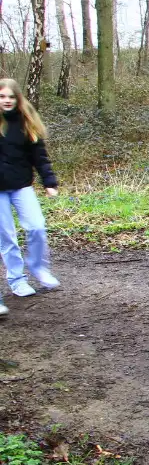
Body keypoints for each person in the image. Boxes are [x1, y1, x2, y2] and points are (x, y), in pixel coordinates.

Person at [0, 78, 60, 304]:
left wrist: (49, 182)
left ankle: (38, 268)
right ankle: (17, 279)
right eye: (2, 96)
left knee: (36, 227)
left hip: (22, 185)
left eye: (11, 97)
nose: (7, 101)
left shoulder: (27, 123)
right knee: (7, 237)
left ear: (18, 99)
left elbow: (40, 157)